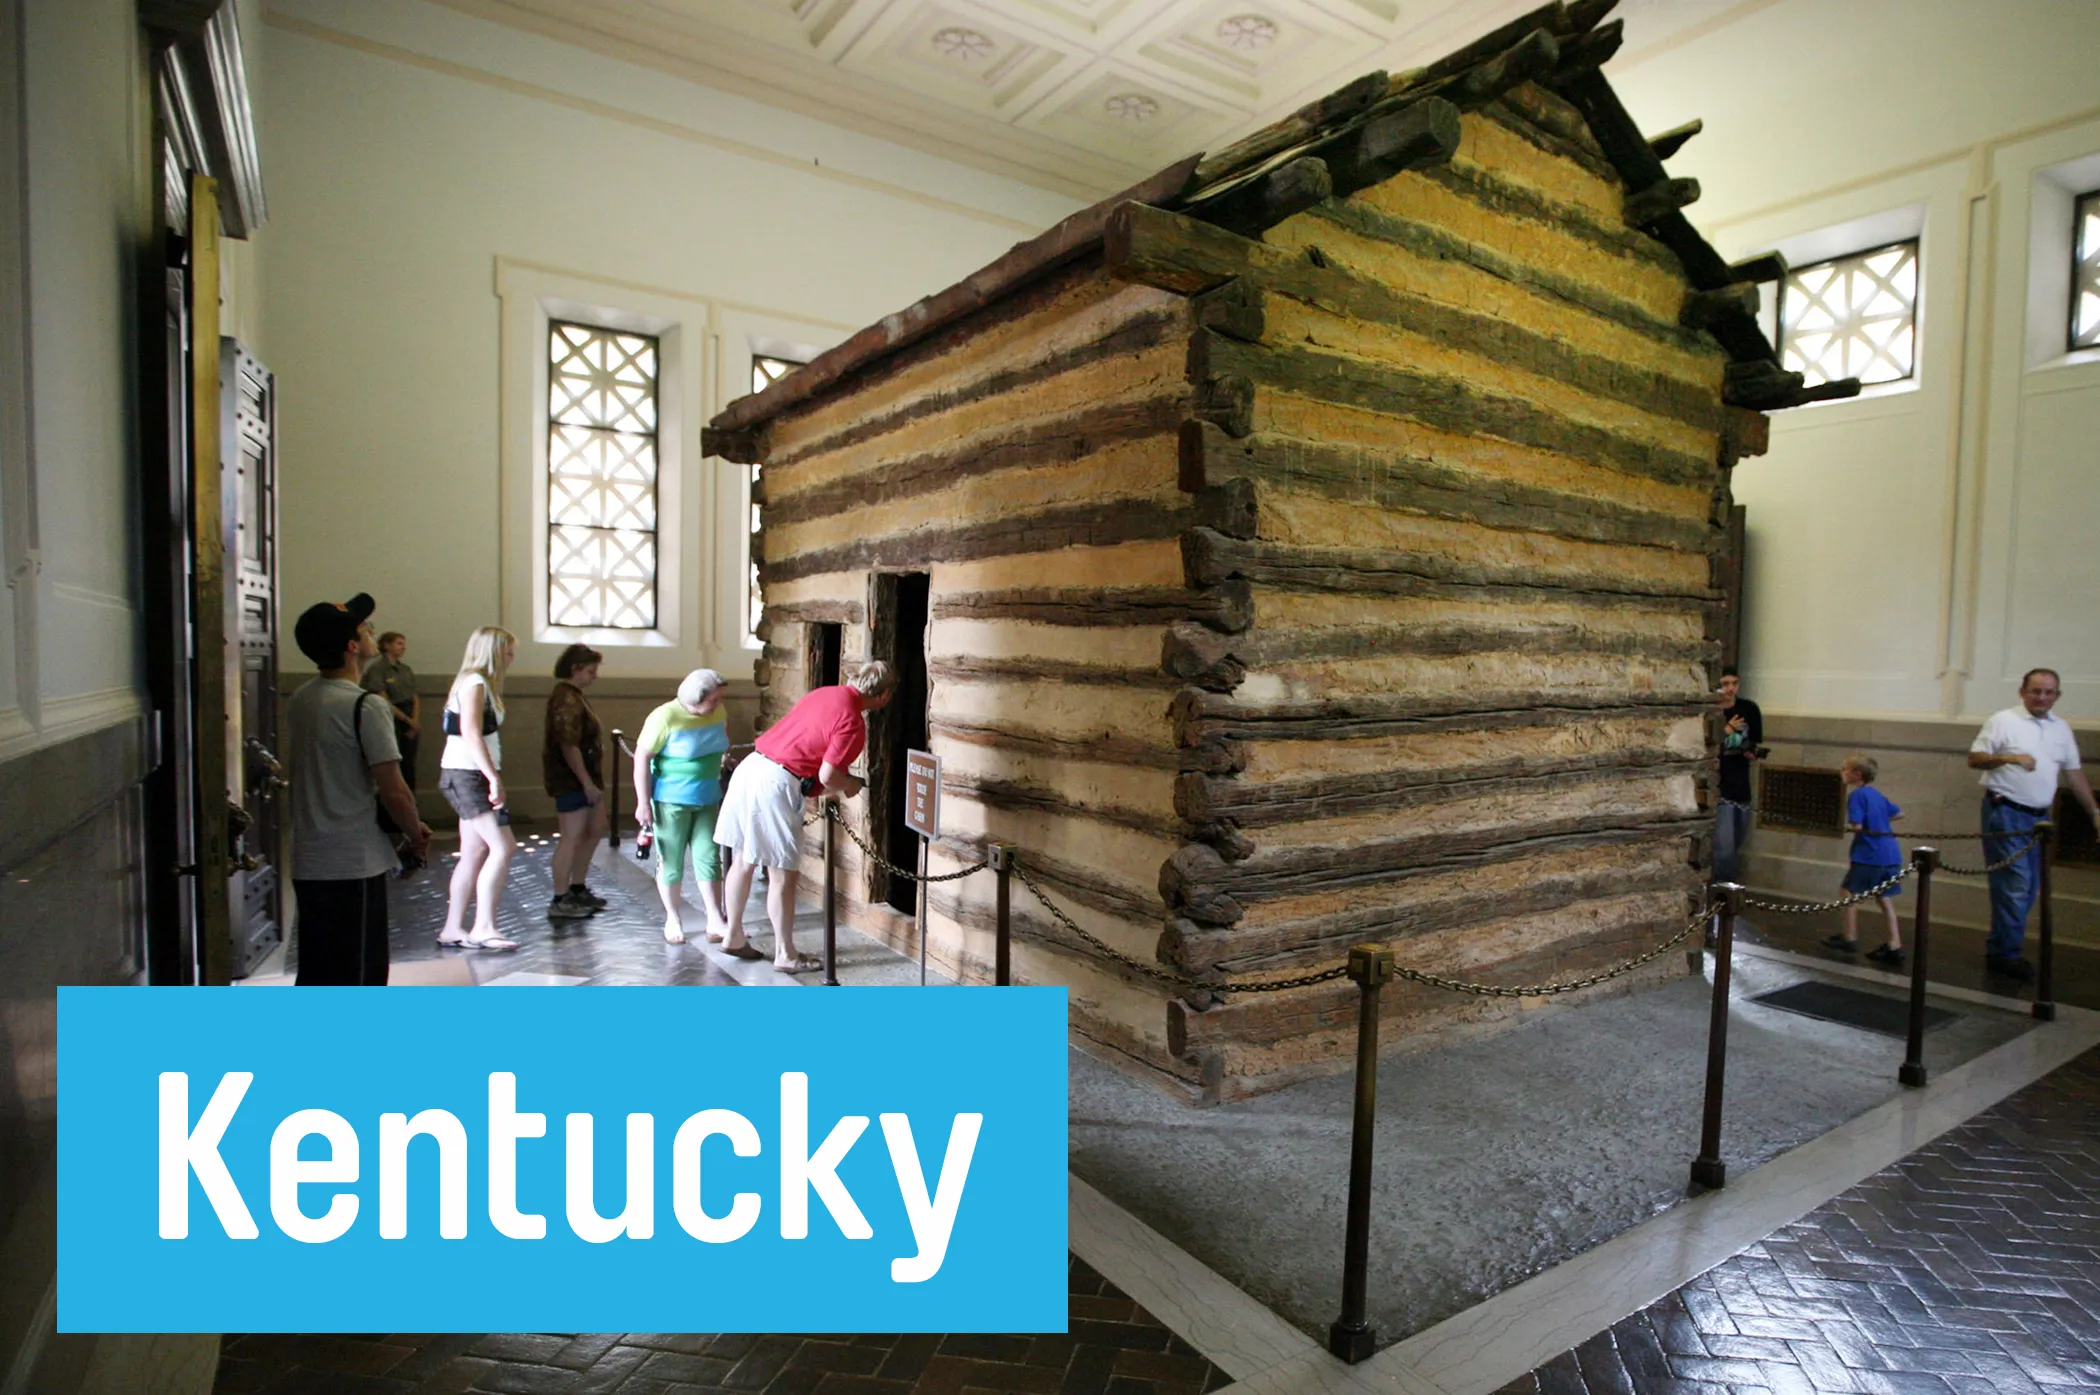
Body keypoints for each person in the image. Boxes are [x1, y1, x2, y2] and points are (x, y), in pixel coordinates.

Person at [285, 593, 431, 985]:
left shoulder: (302, 698)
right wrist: (415, 835)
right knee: (359, 973)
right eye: (366, 628)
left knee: (319, 969)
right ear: (353, 646)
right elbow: (394, 790)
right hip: (352, 861)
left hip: (309, 856)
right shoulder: (365, 706)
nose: (372, 631)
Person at [715, 661, 896, 974]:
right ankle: (786, 953)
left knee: (744, 859)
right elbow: (829, 774)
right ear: (884, 695)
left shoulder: (824, 693)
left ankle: (733, 934)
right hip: (776, 782)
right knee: (783, 873)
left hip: (751, 767)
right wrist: (850, 784)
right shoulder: (853, 721)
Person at [1968, 668, 2098, 980]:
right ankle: (2006, 955)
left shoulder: (2061, 729)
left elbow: (2074, 774)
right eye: (2036, 691)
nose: (2041, 697)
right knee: (2015, 885)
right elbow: (1974, 758)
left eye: (2048, 692)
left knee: (2028, 889)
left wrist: (2094, 811)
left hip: (2040, 819)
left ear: (2057, 696)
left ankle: (2001, 947)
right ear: (2022, 692)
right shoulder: (2003, 720)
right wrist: (2011, 759)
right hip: (2005, 812)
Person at [634, 668, 762, 957]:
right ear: (695, 699)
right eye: (714, 700)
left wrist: (724, 760)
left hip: (707, 797)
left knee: (708, 858)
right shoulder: (664, 717)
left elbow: (719, 742)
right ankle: (673, 918)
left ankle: (715, 919)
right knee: (672, 860)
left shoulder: (718, 712)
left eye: (720, 699)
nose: (719, 704)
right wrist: (643, 803)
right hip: (671, 801)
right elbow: (642, 758)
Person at [436, 626, 521, 951]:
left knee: (473, 852)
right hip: (468, 774)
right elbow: (471, 732)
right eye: (509, 651)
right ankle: (483, 926)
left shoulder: (479, 683)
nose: (512, 658)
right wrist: (493, 777)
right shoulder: (474, 682)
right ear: (494, 651)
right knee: (502, 847)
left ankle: (452, 928)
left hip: (470, 774)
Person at [544, 643, 609, 921]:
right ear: (575, 669)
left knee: (596, 828)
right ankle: (560, 898)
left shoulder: (574, 695)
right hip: (572, 780)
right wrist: (586, 782)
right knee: (571, 837)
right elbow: (569, 745)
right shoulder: (565, 698)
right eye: (591, 671)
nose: (594, 676)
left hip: (587, 777)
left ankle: (578, 886)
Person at [1823, 755, 1905, 967]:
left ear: (1856, 774)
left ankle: (1849, 937)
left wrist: (1861, 826)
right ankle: (1894, 943)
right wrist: (1879, 821)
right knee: (1884, 897)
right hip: (1890, 854)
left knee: (1848, 892)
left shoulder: (1857, 796)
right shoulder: (1876, 794)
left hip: (1869, 855)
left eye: (1845, 769)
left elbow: (1857, 826)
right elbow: (1899, 813)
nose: (1842, 772)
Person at [1711, 667, 1763, 885]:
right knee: (1723, 847)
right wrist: (1727, 730)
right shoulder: (1712, 711)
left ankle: (1728, 888)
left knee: (1737, 841)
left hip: (1740, 784)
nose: (1730, 688)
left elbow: (1754, 741)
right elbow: (1708, 743)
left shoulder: (1749, 709)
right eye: (1725, 684)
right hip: (1719, 787)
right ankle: (1723, 892)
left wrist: (1751, 751)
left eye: (1734, 683)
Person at [360, 630, 421, 789]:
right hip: (392, 717)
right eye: (399, 643)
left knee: (409, 764)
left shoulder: (405, 669)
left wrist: (414, 721)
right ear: (386, 645)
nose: (403, 648)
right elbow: (383, 699)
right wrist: (406, 720)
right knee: (393, 762)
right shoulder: (378, 669)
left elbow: (414, 696)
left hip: (408, 716)